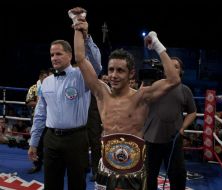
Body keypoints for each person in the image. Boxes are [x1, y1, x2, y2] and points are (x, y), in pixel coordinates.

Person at [72, 7, 180, 189]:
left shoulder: (142, 97)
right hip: (106, 165)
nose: (113, 75)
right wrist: (78, 25)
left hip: (134, 167)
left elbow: (174, 79)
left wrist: (156, 44)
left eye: (120, 70)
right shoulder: (101, 92)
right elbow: (81, 59)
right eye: (111, 69)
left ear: (131, 74)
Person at [28, 7, 102, 190]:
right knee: (52, 184)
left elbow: (96, 66)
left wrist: (86, 37)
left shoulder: (80, 76)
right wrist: (33, 142)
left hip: (77, 139)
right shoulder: (45, 83)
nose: (54, 58)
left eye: (59, 53)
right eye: (52, 54)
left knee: (77, 184)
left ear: (70, 55)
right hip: (51, 139)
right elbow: (39, 115)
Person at [143, 57, 197, 190]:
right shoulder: (153, 87)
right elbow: (140, 103)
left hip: (173, 139)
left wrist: (183, 127)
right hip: (151, 138)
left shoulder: (185, 90)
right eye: (169, 66)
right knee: (148, 176)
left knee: (177, 175)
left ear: (181, 72)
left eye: (176, 66)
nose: (172, 69)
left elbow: (192, 112)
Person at [26, 69, 48, 174]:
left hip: (51, 120)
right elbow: (29, 102)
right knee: (37, 143)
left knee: (49, 143)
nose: (45, 78)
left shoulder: (52, 87)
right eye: (43, 76)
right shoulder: (33, 88)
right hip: (37, 117)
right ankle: (37, 165)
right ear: (40, 77)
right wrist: (40, 103)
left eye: (46, 76)